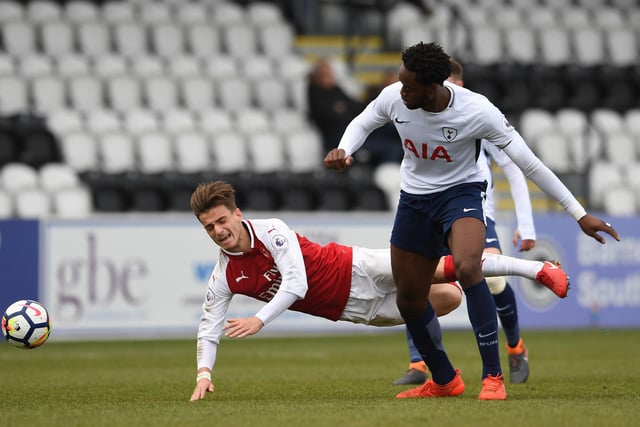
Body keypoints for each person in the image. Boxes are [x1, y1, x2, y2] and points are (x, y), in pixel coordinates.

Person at [323, 42, 620, 400]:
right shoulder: (395, 98)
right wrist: (345, 149)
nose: (401, 92)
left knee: (467, 267)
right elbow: (364, 121)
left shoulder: (477, 111)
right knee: (409, 299)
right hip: (414, 200)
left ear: (432, 88)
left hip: (460, 194)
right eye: (401, 84)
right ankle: (445, 379)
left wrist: (579, 213)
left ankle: (492, 377)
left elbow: (529, 164)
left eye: (409, 87)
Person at [188, 180, 569, 401]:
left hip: (357, 267)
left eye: (222, 220)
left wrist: (258, 319)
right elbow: (209, 327)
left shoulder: (270, 230)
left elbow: (296, 284)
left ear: (237, 214)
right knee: (450, 297)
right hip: (355, 310)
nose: (218, 230)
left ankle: (537, 269)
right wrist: (203, 373)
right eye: (209, 227)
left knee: (445, 267)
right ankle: (445, 380)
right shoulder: (224, 275)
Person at [392, 58, 536, 386]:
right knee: (416, 283)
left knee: (494, 280)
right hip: (428, 207)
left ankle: (515, 348)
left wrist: (525, 224)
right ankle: (420, 364)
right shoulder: (419, 115)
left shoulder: (477, 116)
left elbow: (515, 166)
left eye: (457, 89)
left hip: (474, 211)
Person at [307, 58, 364, 153]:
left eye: (329, 74)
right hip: (332, 135)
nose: (328, 77)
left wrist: (344, 108)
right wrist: (341, 109)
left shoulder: (336, 89)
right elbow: (325, 114)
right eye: (323, 75)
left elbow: (355, 105)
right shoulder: (314, 91)